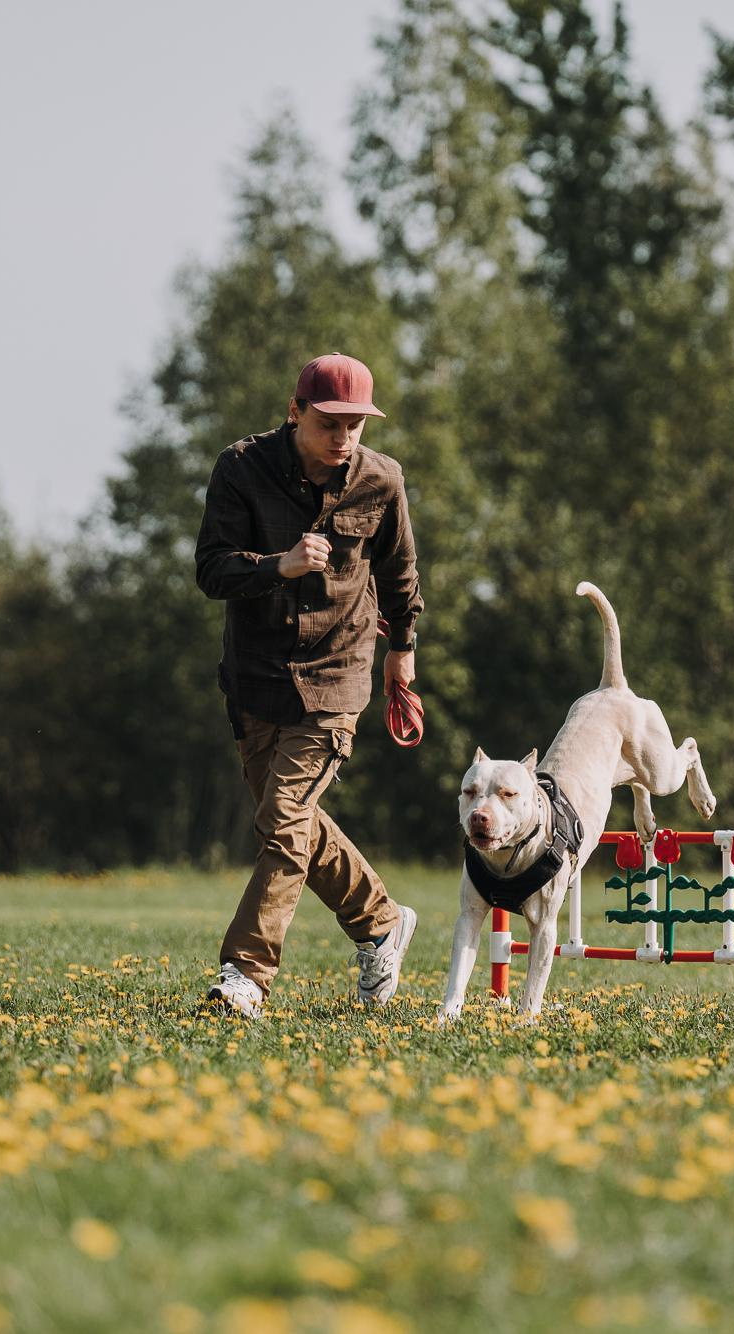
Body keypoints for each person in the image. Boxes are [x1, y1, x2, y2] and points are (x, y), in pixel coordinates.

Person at [193, 353, 424, 1018]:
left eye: (355, 423)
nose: (343, 436)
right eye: (329, 422)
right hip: (257, 678)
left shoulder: (382, 481)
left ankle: (245, 974)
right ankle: (380, 921)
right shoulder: (241, 469)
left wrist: (402, 654)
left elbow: (402, 575)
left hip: (338, 675)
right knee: (285, 822)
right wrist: (278, 565)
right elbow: (211, 571)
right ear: (296, 412)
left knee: (284, 819)